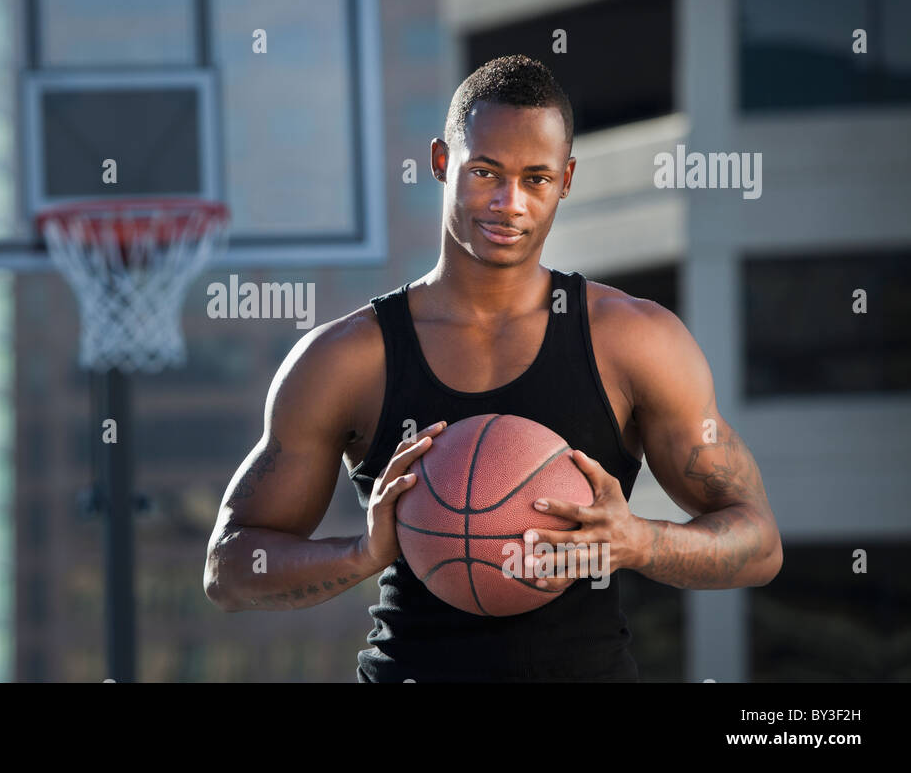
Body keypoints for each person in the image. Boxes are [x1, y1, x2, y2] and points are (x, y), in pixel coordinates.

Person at [202, 54, 782, 681]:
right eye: (486, 172)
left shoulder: (635, 340)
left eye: (536, 178)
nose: (510, 203)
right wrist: (362, 552)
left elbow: (759, 544)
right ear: (442, 163)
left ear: (566, 179)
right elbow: (228, 571)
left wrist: (641, 541)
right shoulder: (348, 358)